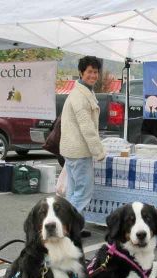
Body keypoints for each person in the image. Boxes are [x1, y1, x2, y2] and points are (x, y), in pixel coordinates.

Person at [60, 56, 106, 237]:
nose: (93, 75)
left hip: (72, 150)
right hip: (79, 151)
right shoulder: (80, 96)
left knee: (74, 191)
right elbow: (87, 128)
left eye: (95, 72)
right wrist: (99, 151)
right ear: (81, 72)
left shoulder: (83, 91)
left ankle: (74, 228)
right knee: (83, 192)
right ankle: (67, 228)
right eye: (90, 72)